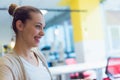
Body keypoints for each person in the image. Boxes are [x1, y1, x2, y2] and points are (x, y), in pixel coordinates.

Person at [0, 3, 53, 80]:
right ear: (20, 25)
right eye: (38, 26)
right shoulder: (7, 64)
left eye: (43, 28)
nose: (43, 33)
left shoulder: (38, 55)